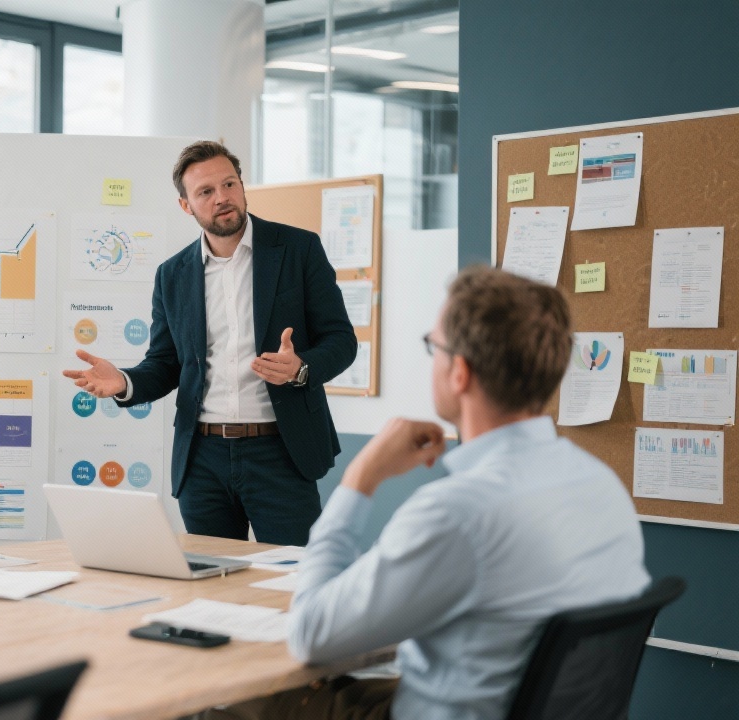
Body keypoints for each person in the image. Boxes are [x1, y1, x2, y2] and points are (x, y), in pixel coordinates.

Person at [215, 266, 650, 720]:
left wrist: (359, 478)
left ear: (459, 373)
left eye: (433, 346)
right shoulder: (601, 484)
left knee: (224, 706)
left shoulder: (461, 513)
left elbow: (310, 633)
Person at [63, 140, 356, 546]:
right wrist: (125, 383)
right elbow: (166, 363)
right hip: (202, 460)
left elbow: (341, 340)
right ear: (186, 205)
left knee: (291, 584)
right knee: (213, 585)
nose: (223, 198)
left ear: (241, 186)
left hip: (281, 453)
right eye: (205, 192)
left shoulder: (298, 250)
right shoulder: (173, 274)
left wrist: (301, 368)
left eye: (229, 184)